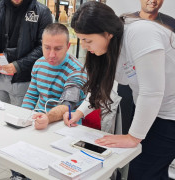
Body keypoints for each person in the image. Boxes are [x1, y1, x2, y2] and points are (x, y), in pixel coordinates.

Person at [65, 2, 175, 179]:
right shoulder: (110, 46)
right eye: (81, 40)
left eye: (88, 40)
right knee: (145, 169)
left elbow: (152, 91)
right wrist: (80, 112)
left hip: (170, 114)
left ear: (107, 33)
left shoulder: (140, 33)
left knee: (143, 172)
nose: (84, 46)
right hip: (153, 111)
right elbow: (100, 85)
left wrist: (133, 137)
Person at [119, 0, 175, 134]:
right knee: (130, 127)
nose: (153, 0)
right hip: (130, 85)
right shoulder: (127, 20)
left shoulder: (170, 23)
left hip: (159, 93)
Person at [0, 0, 53, 107]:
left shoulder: (42, 12)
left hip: (24, 79)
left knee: (20, 119)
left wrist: (19, 65)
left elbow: (44, 46)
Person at [22, 23, 87, 130]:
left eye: (57, 49)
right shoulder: (39, 64)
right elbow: (31, 96)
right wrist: (24, 118)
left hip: (67, 125)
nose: (51, 55)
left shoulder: (77, 70)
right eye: (47, 48)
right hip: (39, 120)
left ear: (68, 47)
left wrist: (47, 118)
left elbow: (68, 105)